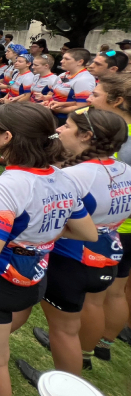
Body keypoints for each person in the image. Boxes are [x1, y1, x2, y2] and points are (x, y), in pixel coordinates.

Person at [0, 103, 98, 396]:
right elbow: (88, 231)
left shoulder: (8, 186)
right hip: (35, 277)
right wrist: (40, 233)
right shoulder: (62, 177)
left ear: (7, 137)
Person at [23, 108, 131, 379]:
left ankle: (66, 382)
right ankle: (85, 355)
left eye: (67, 126)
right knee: (88, 310)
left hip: (71, 259)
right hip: (107, 254)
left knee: (63, 331)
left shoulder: (74, 176)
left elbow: (47, 219)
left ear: (86, 136)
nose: (59, 129)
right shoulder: (125, 170)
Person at [87, 73, 131, 359]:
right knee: (116, 289)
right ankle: (105, 343)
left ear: (116, 101)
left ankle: (83, 350)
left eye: (96, 94)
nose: (90, 99)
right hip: (123, 227)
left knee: (95, 297)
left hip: (114, 226)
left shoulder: (122, 143)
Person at [46, 48, 97, 124]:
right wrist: (46, 100)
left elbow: (82, 107)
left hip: (67, 120)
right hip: (52, 115)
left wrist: (57, 109)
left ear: (80, 62)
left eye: (66, 59)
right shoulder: (63, 75)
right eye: (63, 58)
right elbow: (53, 95)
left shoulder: (84, 79)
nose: (61, 61)